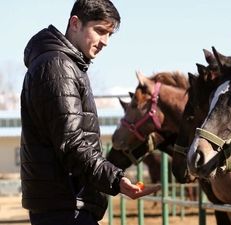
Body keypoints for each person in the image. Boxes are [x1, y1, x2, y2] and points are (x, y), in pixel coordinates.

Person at [20, 0, 160, 224]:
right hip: (66, 206)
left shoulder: (66, 64)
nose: (104, 42)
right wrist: (116, 179)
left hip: (65, 204)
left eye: (109, 35)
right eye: (100, 31)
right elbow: (72, 144)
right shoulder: (59, 66)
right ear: (75, 23)